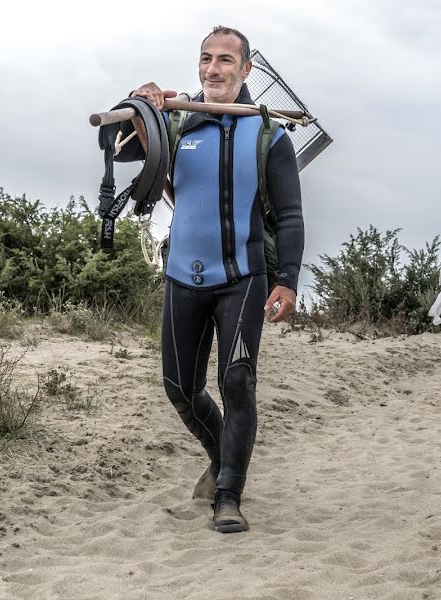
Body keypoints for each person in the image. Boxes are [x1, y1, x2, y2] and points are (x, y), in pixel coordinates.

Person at [125, 26, 304, 533]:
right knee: (179, 388)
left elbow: (290, 215)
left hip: (243, 277)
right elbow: (115, 146)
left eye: (226, 60)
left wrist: (287, 280)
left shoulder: (268, 134)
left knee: (236, 381)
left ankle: (229, 494)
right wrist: (142, 106)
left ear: (246, 70)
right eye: (206, 59)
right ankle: (221, 451)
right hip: (183, 276)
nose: (213, 69)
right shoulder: (177, 126)